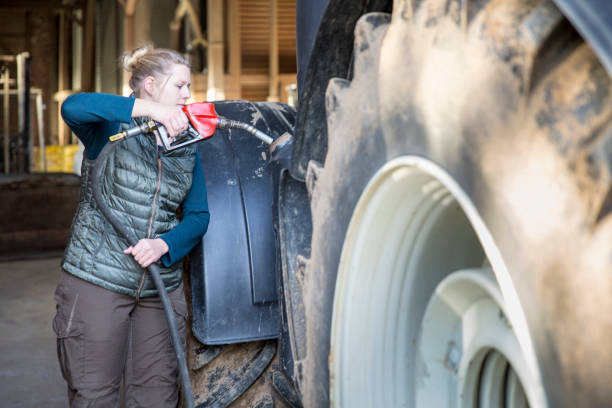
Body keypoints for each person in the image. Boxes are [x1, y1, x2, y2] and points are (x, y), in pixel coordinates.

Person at [53, 45, 210, 407]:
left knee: (157, 395)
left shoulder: (186, 145)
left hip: (159, 288)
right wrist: (151, 112)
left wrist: (165, 245)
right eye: (180, 86)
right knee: (95, 394)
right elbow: (72, 107)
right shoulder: (109, 128)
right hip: (98, 281)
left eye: (189, 87)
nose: (188, 95)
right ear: (151, 86)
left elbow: (199, 216)